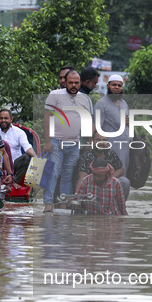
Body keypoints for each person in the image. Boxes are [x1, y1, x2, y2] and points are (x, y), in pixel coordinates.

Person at [42, 70, 93, 212]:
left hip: (74, 143)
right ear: (65, 81)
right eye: (70, 82)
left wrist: (88, 141)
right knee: (53, 172)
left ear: (80, 82)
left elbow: (87, 120)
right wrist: (47, 141)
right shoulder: (55, 95)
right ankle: (48, 202)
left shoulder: (84, 99)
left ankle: (63, 203)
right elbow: (47, 118)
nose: (73, 85)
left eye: (76, 83)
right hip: (55, 141)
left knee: (68, 174)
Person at [76, 131, 130, 201]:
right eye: (98, 140)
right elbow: (82, 176)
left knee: (124, 181)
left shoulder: (110, 153)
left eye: (104, 140)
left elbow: (121, 169)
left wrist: (109, 179)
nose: (101, 143)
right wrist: (77, 197)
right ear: (92, 141)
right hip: (92, 186)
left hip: (108, 184)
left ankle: (119, 207)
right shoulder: (87, 155)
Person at [94, 74, 130, 176]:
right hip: (110, 148)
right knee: (110, 175)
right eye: (114, 85)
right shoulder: (101, 104)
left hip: (125, 146)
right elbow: (97, 128)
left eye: (119, 85)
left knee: (124, 176)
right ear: (108, 86)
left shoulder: (124, 103)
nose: (116, 88)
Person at [0, 109, 36, 189]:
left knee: (27, 157)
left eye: (6, 118)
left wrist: (38, 159)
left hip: (14, 165)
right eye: (1, 118)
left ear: (11, 119)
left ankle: (14, 181)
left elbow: (27, 147)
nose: (3, 120)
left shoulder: (19, 132)